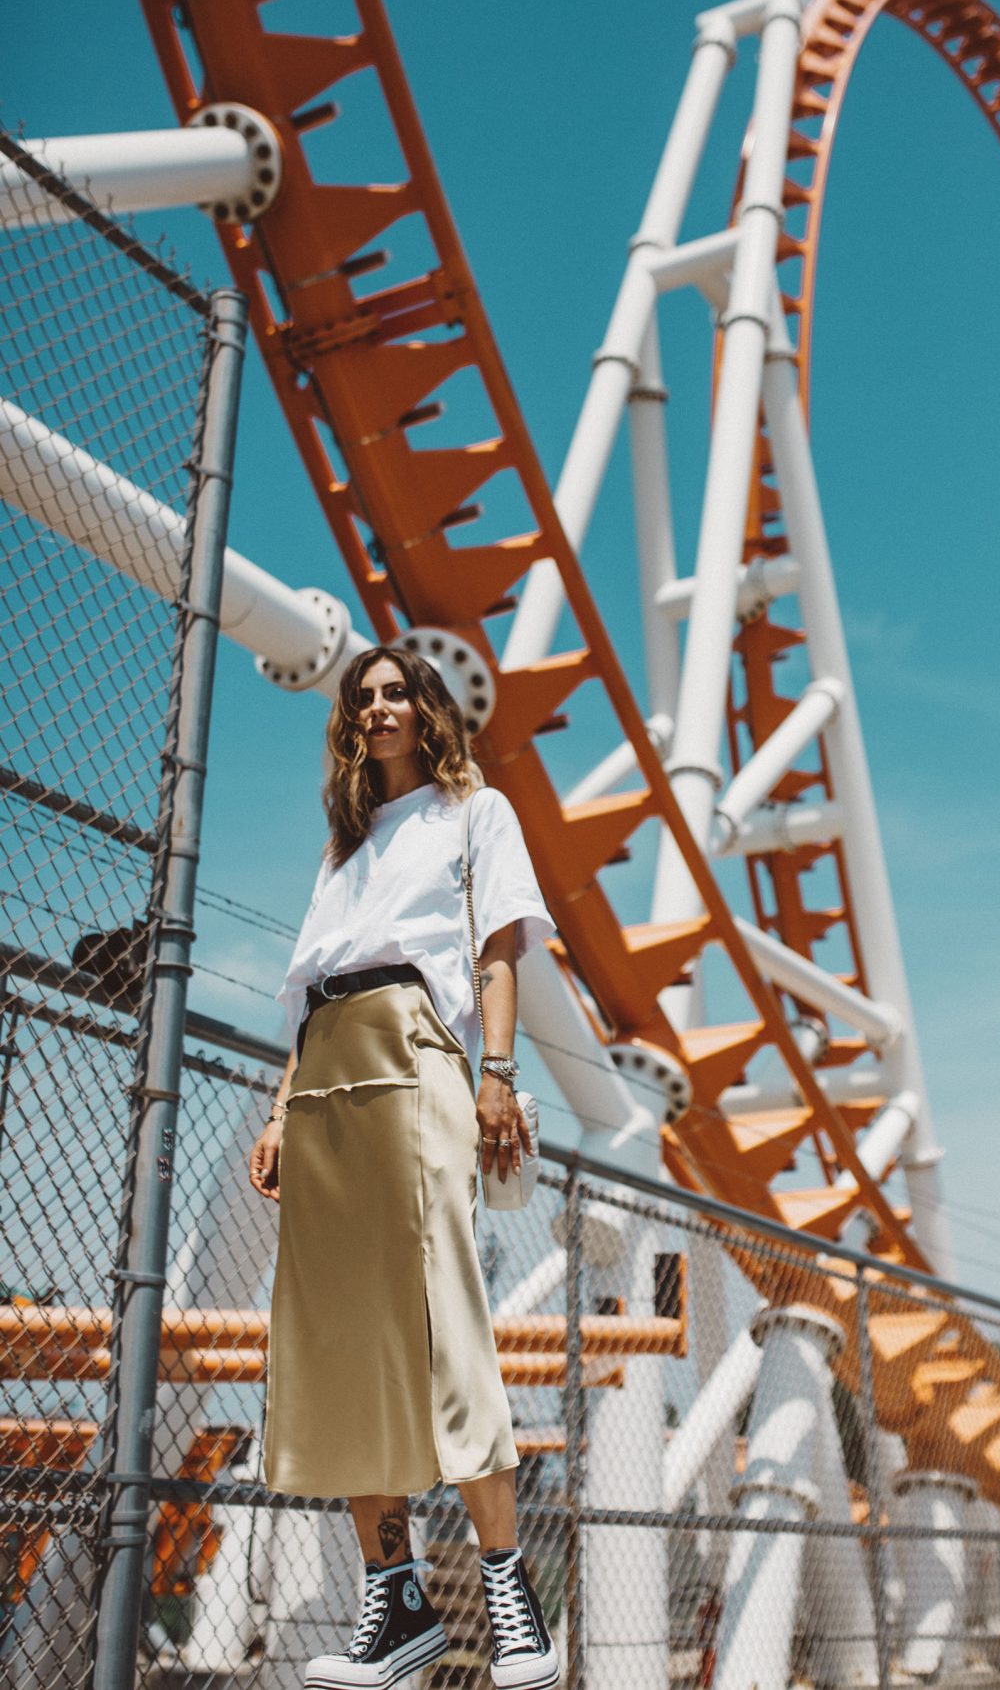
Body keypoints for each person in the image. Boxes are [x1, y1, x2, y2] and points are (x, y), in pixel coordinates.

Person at [248, 644, 560, 1690]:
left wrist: (500, 1070)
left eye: (395, 692)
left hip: (415, 1049)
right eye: (363, 696)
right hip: (326, 1065)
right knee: (336, 1335)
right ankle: (397, 1602)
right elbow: (305, 986)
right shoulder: (342, 844)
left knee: (440, 1313)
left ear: (427, 711)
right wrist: (280, 1104)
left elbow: (499, 948)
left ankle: (510, 1592)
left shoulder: (476, 811)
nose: (379, 707)